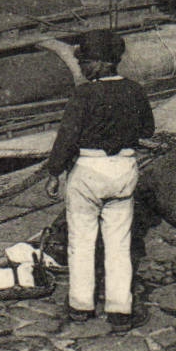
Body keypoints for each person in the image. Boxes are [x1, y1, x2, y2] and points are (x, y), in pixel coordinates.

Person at [43, 29, 155, 332]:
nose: (82, 68)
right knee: (119, 243)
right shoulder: (135, 90)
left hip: (88, 171)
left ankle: (81, 305)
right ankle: (120, 309)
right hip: (123, 170)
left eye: (86, 62)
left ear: (105, 62)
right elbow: (147, 130)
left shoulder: (84, 94)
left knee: (81, 241)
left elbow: (67, 137)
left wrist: (54, 172)